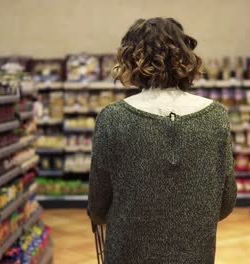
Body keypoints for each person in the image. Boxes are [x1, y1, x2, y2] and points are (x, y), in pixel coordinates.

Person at [87, 17, 237, 264]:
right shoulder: (216, 116)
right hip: (195, 255)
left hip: (127, 254)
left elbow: (98, 206)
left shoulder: (112, 118)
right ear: (187, 58)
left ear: (130, 60)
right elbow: (226, 202)